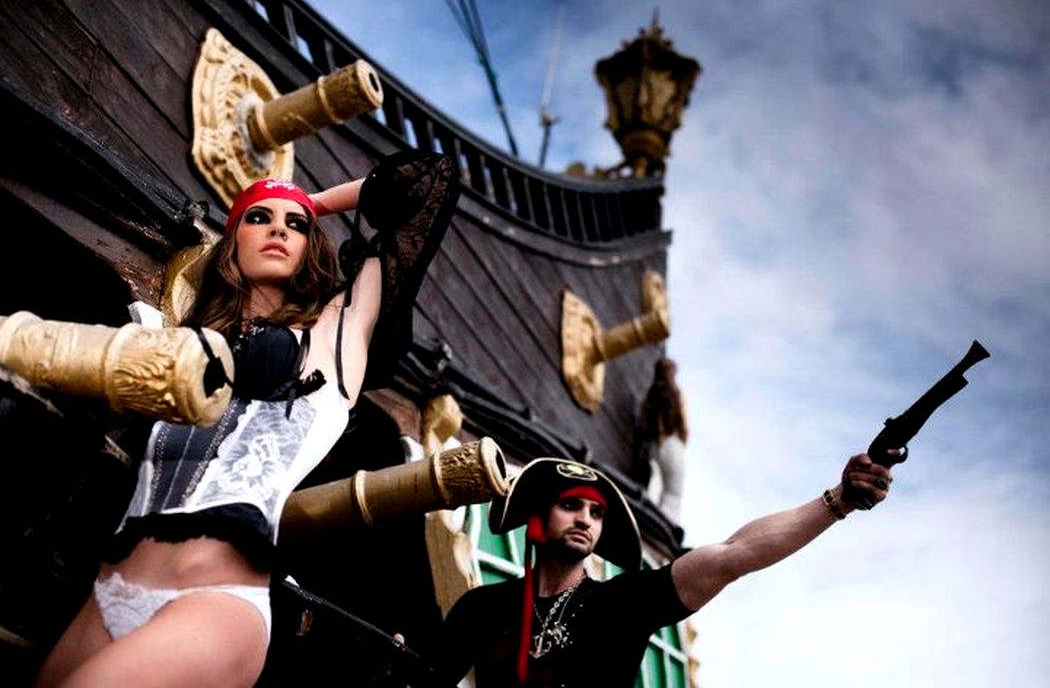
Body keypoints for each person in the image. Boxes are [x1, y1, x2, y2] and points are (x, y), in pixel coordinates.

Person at [34, 149, 459, 687]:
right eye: (259, 218)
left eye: (295, 225)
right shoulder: (185, 345)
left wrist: (309, 202)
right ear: (232, 239)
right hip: (108, 592)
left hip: (213, 601)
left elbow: (431, 180)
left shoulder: (334, 336)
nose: (278, 228)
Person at [435, 450, 903, 687]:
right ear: (538, 518)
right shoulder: (482, 608)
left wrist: (838, 501)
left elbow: (734, 554)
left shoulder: (623, 602)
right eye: (570, 505)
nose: (585, 519)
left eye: (596, 513)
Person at [637, 357, 688, 522]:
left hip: (655, 445)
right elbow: (685, 425)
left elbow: (643, 421)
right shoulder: (677, 395)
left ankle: (647, 517)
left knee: (655, 482)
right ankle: (665, 526)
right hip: (672, 444)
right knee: (673, 494)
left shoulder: (651, 395)